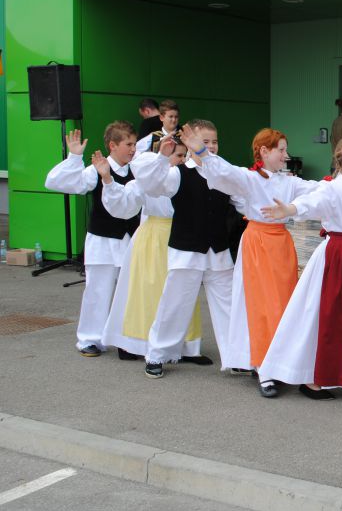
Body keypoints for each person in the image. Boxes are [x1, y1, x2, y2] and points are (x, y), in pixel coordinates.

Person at [178, 124, 320, 396]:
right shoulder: (249, 178)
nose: (285, 155)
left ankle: (281, 362)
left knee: (283, 304)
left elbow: (315, 190)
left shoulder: (288, 181)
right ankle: (263, 368)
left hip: (281, 244)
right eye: (281, 150)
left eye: (285, 150)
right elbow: (223, 172)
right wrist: (200, 151)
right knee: (261, 306)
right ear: (264, 151)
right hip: (258, 244)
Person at [258, 134, 342, 402]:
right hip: (338, 258)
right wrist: (290, 209)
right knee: (329, 315)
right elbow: (310, 204)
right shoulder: (331, 189)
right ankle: (316, 375)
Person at [128, 120, 244, 379]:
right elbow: (149, 182)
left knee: (229, 302)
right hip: (187, 248)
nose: (211, 146)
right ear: (191, 144)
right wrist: (162, 157)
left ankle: (237, 356)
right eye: (205, 142)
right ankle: (157, 354)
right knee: (175, 303)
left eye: (214, 141)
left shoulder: (224, 173)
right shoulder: (178, 173)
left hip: (218, 250)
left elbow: (245, 199)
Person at [100, 139, 206, 364]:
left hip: (183, 236)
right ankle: (137, 343)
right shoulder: (148, 180)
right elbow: (124, 204)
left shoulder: (186, 178)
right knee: (149, 292)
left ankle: (184, 346)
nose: (181, 160)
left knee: (183, 291)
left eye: (183, 156)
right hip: (154, 238)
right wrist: (108, 180)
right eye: (177, 156)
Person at [44, 123, 140, 356]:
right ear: (113, 145)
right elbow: (55, 182)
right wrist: (75, 158)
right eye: (128, 144)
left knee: (128, 292)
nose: (133, 149)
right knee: (98, 290)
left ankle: (124, 338)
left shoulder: (137, 169)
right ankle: (89, 339)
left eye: (135, 144)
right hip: (103, 240)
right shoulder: (95, 170)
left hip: (130, 240)